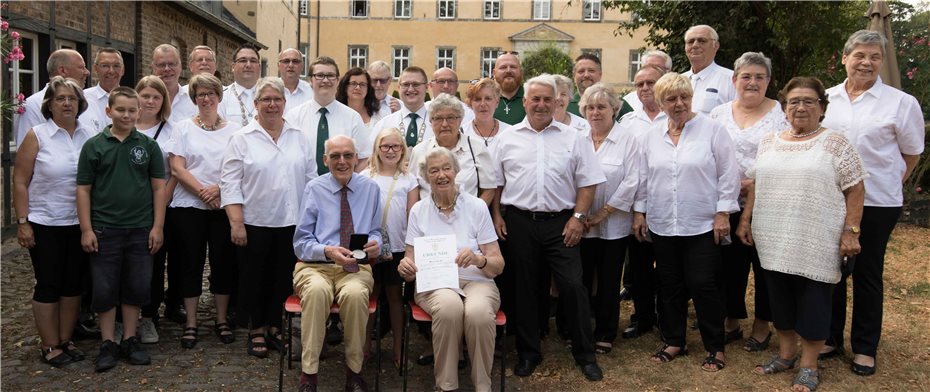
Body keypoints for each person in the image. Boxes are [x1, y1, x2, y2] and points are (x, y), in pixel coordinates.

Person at [737, 76, 867, 392]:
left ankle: (808, 365)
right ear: (784, 108)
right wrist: (745, 220)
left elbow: (856, 189)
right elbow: (756, 183)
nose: (801, 107)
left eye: (809, 101)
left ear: (822, 107)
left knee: (814, 301)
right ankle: (785, 355)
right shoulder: (769, 141)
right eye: (794, 101)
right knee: (778, 300)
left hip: (817, 239)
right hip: (773, 235)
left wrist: (851, 232)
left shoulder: (835, 142)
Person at [821, 30, 925, 376]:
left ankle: (865, 347)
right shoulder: (827, 99)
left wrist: (888, 182)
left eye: (874, 57)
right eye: (860, 55)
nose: (866, 62)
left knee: (867, 273)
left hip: (878, 202)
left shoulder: (900, 103)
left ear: (881, 62)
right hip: (829, 198)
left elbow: (911, 154)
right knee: (830, 271)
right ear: (844, 58)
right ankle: (830, 338)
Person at [492, 74, 605, 381]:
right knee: (525, 288)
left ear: (557, 102)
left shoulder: (575, 137)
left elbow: (588, 182)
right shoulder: (508, 137)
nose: (541, 105)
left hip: (561, 222)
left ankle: (585, 354)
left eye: (547, 99)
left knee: (573, 285)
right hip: (519, 222)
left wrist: (578, 219)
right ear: (525, 102)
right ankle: (529, 353)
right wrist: (497, 215)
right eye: (535, 99)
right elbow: (496, 183)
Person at [632, 72, 740, 371]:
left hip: (702, 222)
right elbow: (644, 177)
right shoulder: (652, 135)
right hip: (664, 221)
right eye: (671, 98)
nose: (679, 103)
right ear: (660, 102)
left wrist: (723, 213)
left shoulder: (712, 130)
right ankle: (674, 339)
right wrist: (640, 212)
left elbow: (728, 174)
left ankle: (715, 346)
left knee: (703, 283)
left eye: (684, 97)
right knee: (669, 285)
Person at [220, 77, 317, 358]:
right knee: (254, 277)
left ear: (285, 104)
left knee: (284, 277)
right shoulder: (241, 138)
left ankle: (277, 326)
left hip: (293, 222)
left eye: (277, 100)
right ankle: (256, 329)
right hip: (255, 222)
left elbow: (311, 180)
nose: (272, 105)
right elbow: (230, 183)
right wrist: (236, 222)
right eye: (266, 100)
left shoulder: (298, 136)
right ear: (256, 104)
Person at [398, 146, 506, 392]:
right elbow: (409, 259)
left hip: (478, 281)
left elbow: (497, 263)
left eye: (446, 168)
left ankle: (482, 385)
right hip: (436, 284)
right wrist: (407, 267)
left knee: (478, 312)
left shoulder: (477, 207)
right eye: (434, 171)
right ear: (426, 178)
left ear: (456, 171)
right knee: (449, 307)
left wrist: (479, 260)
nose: (441, 175)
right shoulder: (419, 210)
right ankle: (446, 385)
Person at [76, 87, 167, 372]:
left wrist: (158, 226)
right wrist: (86, 229)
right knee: (104, 288)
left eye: (132, 110)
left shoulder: (148, 146)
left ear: (139, 112)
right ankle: (108, 343)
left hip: (140, 228)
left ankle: (129, 338)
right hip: (105, 229)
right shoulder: (94, 145)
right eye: (120, 110)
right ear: (108, 111)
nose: (126, 115)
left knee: (136, 286)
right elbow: (83, 189)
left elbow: (158, 187)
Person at [13, 76, 95, 367]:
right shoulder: (38, 135)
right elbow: (20, 181)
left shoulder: (89, 134)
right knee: (48, 283)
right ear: (49, 104)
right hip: (45, 222)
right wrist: (23, 222)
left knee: (73, 285)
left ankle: (65, 339)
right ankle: (49, 345)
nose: (66, 103)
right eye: (60, 98)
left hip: (80, 223)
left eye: (72, 99)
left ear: (80, 103)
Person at [708, 52, 787, 352]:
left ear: (768, 81)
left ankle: (762, 324)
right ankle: (731, 320)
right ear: (734, 80)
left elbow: (786, 156)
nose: (752, 82)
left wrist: (754, 182)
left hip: (768, 201)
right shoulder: (718, 114)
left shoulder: (781, 115)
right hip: (725, 202)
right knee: (728, 266)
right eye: (746, 76)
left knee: (764, 266)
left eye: (759, 77)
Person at [292, 135, 381, 392]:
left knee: (355, 295)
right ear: (325, 160)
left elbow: (376, 231)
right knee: (317, 291)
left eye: (347, 155)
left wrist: (375, 243)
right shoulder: (314, 189)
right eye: (335, 156)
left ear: (356, 158)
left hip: (356, 267)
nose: (342, 162)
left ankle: (355, 372)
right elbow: (300, 243)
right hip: (315, 265)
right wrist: (327, 251)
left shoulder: (370, 189)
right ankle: (309, 375)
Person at [168, 73, 241, 349]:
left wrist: (219, 189)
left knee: (223, 264)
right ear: (195, 98)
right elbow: (177, 167)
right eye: (200, 94)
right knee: (190, 263)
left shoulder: (235, 130)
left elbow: (238, 167)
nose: (206, 98)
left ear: (219, 97)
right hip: (189, 206)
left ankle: (221, 319)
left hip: (223, 205)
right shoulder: (182, 127)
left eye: (211, 93)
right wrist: (203, 191)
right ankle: (191, 321)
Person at [577, 83, 640, 354]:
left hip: (613, 225)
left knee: (608, 280)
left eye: (601, 107)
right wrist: (581, 216)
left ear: (614, 109)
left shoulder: (628, 139)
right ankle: (576, 329)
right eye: (590, 107)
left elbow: (633, 180)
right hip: (579, 224)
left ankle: (605, 332)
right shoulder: (577, 136)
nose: (595, 112)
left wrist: (602, 213)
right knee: (579, 279)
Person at [360, 128, 419, 369]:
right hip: (372, 247)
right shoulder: (365, 176)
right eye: (385, 146)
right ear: (377, 149)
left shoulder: (409, 179)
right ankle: (363, 349)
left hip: (397, 246)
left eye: (396, 146)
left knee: (395, 298)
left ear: (403, 150)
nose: (390, 151)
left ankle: (398, 349)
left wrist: (408, 248)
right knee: (369, 297)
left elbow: (413, 215)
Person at [618, 64, 667, 340]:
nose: (645, 88)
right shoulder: (628, 122)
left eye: (651, 83)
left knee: (669, 268)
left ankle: (667, 316)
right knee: (639, 267)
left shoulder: (674, 116)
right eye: (640, 84)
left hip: (668, 205)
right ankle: (643, 316)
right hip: (637, 207)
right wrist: (637, 210)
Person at [134, 75, 178, 344]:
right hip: (129, 208)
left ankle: (149, 316)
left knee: (154, 264)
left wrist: (162, 200)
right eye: (145, 95)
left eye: (156, 97)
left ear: (164, 101)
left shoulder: (171, 130)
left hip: (161, 207)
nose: (150, 101)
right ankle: (122, 317)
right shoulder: (123, 124)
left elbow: (174, 171)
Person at [287, 57, 372, 174]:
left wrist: (348, 184)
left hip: (342, 189)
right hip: (303, 189)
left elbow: (364, 158)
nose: (325, 80)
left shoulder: (352, 118)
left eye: (330, 76)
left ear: (337, 81)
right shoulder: (293, 117)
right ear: (310, 81)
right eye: (320, 75)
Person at [408, 93, 497, 205]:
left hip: (467, 220)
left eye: (450, 118)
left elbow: (489, 189)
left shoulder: (476, 148)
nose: (445, 124)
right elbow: (412, 189)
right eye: (438, 118)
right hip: (429, 219)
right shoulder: (419, 151)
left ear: (460, 120)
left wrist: (473, 213)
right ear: (431, 122)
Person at [15, 49, 90, 147]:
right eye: (81, 67)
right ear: (62, 70)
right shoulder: (33, 105)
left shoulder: (84, 100)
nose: (87, 72)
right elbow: (25, 151)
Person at [371, 66, 434, 148]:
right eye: (406, 84)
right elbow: (371, 156)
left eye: (416, 84)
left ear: (426, 87)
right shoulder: (384, 125)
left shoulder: (438, 124)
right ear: (398, 88)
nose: (410, 89)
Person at [682, 25, 736, 114]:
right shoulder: (678, 80)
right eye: (690, 41)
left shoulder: (731, 80)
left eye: (702, 41)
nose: (695, 45)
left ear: (716, 46)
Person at [80, 47, 124, 133]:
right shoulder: (82, 98)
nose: (111, 71)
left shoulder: (133, 100)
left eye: (116, 66)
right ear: (95, 68)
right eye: (105, 66)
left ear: (123, 69)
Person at [152, 44, 197, 124]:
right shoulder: (144, 102)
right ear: (153, 68)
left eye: (171, 64)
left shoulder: (194, 100)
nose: (167, 69)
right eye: (162, 65)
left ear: (180, 66)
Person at [220, 43, 262, 126]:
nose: (248, 65)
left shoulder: (270, 97)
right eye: (243, 60)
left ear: (259, 67)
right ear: (233, 67)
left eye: (253, 61)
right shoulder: (221, 97)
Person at [462, 78, 505, 153]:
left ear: (497, 102)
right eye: (477, 99)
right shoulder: (461, 134)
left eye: (488, 98)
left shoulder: (509, 132)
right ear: (470, 103)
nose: (483, 104)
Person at [336, 67, 384, 131]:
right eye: (353, 83)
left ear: (368, 89)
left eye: (362, 84)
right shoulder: (336, 114)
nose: (358, 87)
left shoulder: (380, 116)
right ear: (345, 87)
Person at [492, 53, 526, 125]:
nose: (508, 71)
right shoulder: (485, 99)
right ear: (494, 73)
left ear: (521, 71)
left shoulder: (532, 98)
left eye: (513, 67)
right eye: (503, 67)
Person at [279, 48, 313, 114]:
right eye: (286, 61)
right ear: (278, 65)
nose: (291, 65)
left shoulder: (311, 91)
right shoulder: (270, 89)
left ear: (302, 66)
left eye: (295, 61)